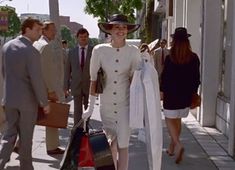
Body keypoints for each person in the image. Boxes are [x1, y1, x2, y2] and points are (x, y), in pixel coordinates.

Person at [82, 14, 141, 170]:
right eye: (116, 27)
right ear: (110, 30)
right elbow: (93, 79)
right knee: (110, 145)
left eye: (124, 27)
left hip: (125, 105)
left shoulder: (134, 52)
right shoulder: (99, 50)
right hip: (106, 106)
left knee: (122, 145)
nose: (120, 30)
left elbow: (136, 82)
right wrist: (90, 107)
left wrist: (139, 108)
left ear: (128, 30)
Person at [0, 18, 49, 170]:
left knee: (8, 136)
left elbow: (3, 73)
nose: (40, 33)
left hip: (9, 99)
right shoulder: (31, 51)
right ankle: (26, 167)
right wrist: (44, 102)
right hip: (27, 103)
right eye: (37, 30)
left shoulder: (6, 46)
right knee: (26, 138)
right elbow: (37, 79)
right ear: (27, 29)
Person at [160, 27, 200, 164]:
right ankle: (171, 147)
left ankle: (177, 144)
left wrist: (161, 91)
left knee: (170, 119)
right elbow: (196, 78)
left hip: (171, 95)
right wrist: (193, 93)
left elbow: (165, 77)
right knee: (178, 120)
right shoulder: (194, 57)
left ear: (174, 40)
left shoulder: (170, 57)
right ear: (187, 41)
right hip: (186, 95)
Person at [33, 21, 65, 155]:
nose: (55, 32)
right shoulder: (45, 46)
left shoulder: (36, 44)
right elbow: (47, 71)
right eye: (52, 30)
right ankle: (52, 146)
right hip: (47, 89)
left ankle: (19, 143)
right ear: (44, 31)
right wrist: (51, 90)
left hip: (36, 87)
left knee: (33, 117)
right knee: (52, 117)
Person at [64, 28, 93, 125]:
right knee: (77, 110)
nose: (83, 39)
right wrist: (65, 87)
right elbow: (67, 71)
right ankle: (77, 131)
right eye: (81, 37)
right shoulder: (71, 52)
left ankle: (86, 129)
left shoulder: (93, 51)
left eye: (85, 37)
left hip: (89, 85)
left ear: (88, 37)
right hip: (76, 85)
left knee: (87, 109)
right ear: (77, 38)